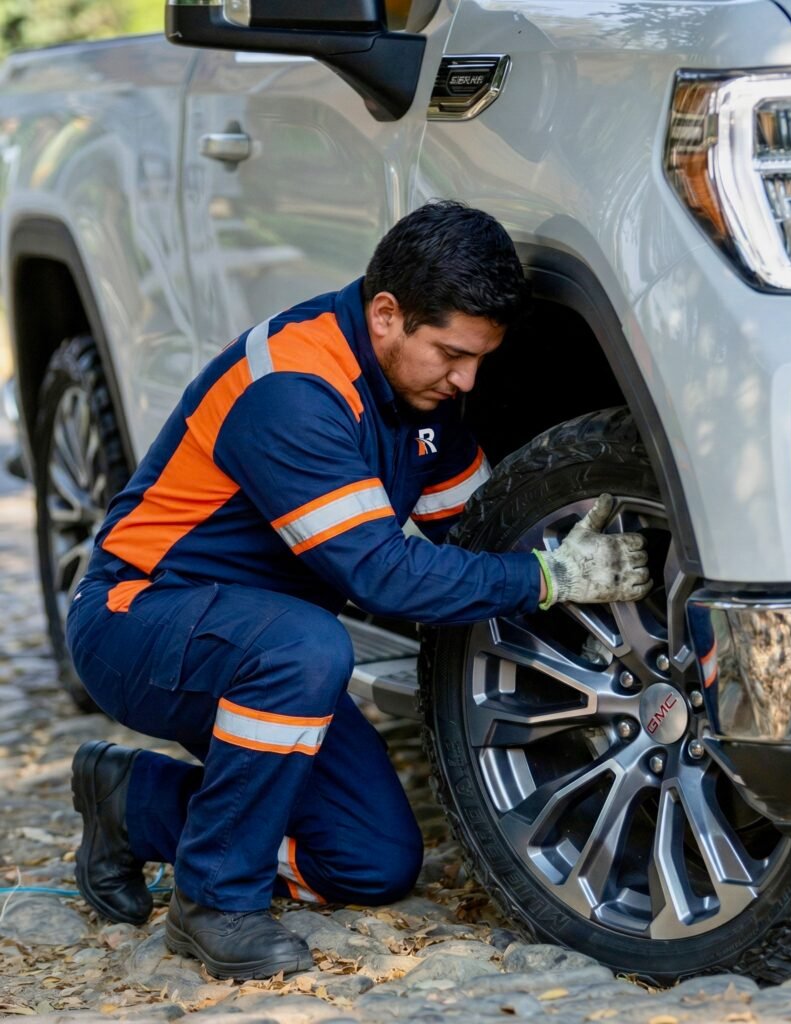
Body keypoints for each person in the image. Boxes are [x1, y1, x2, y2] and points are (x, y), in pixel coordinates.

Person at [66, 201, 651, 982]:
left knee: (371, 860)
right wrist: (550, 577)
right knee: (309, 647)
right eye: (452, 354)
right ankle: (213, 903)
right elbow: (384, 575)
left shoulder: (423, 397)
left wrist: (605, 609)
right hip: (138, 619)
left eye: (480, 358)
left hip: (261, 643)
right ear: (386, 316)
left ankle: (131, 801)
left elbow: (475, 539)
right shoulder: (292, 391)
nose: (467, 379)